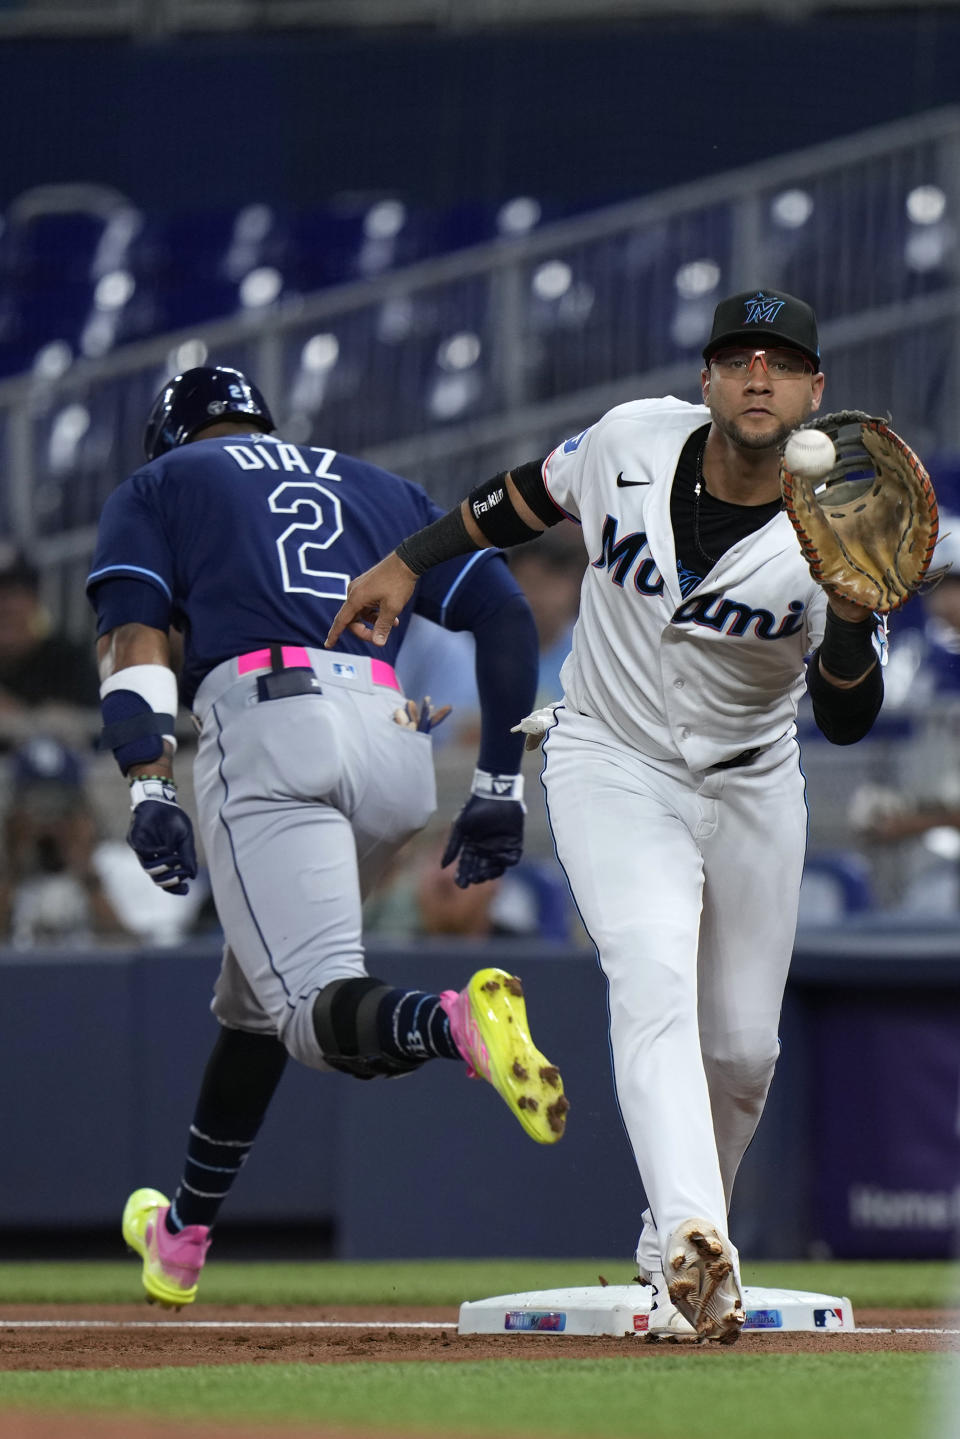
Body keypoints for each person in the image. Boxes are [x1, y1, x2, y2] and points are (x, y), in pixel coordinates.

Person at [326, 287, 885, 1344]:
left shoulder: (840, 527)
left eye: (780, 361)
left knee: (744, 1054)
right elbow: (519, 500)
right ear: (709, 378)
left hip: (756, 780)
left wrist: (852, 616)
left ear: (815, 391)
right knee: (650, 967)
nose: (757, 374)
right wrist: (408, 558)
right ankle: (693, 1235)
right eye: (737, 357)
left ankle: (666, 1247)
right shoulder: (630, 438)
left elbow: (849, 719)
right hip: (609, 756)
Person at [85, 365, 568, 1310]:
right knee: (258, 1000)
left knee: (310, 1012)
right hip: (392, 741)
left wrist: (148, 781)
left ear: (175, 436)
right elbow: (505, 613)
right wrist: (501, 785)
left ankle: (453, 1022)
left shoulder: (162, 484)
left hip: (269, 726)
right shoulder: (374, 485)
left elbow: (133, 640)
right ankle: (183, 1236)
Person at [0, 546, 100, 750]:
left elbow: (103, 738)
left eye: (15, 594)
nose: (5, 607)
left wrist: (21, 721)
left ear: (35, 599)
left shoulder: (67, 661)